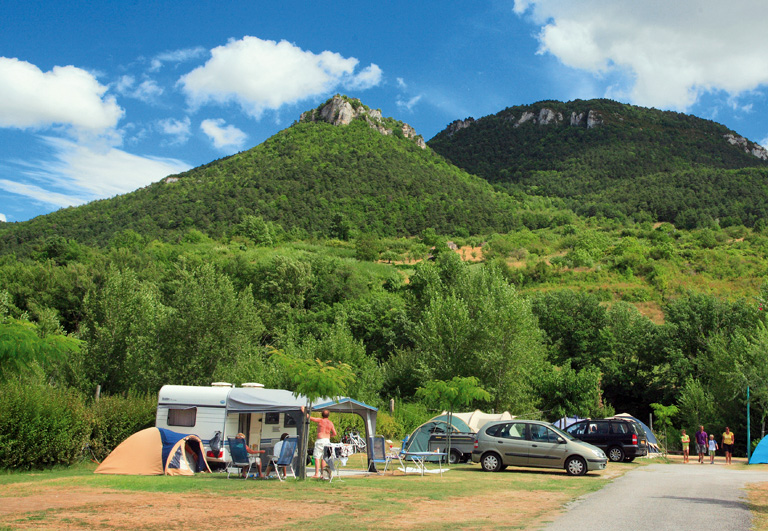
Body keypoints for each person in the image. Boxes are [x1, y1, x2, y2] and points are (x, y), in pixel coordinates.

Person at [303, 406, 337, 479]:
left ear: (322, 415)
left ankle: (316, 474)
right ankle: (322, 474)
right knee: (324, 458)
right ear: (328, 415)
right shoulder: (330, 423)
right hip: (327, 440)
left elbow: (309, 417)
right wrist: (328, 435)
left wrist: (303, 410)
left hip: (320, 440)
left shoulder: (320, 420)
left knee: (317, 457)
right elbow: (334, 433)